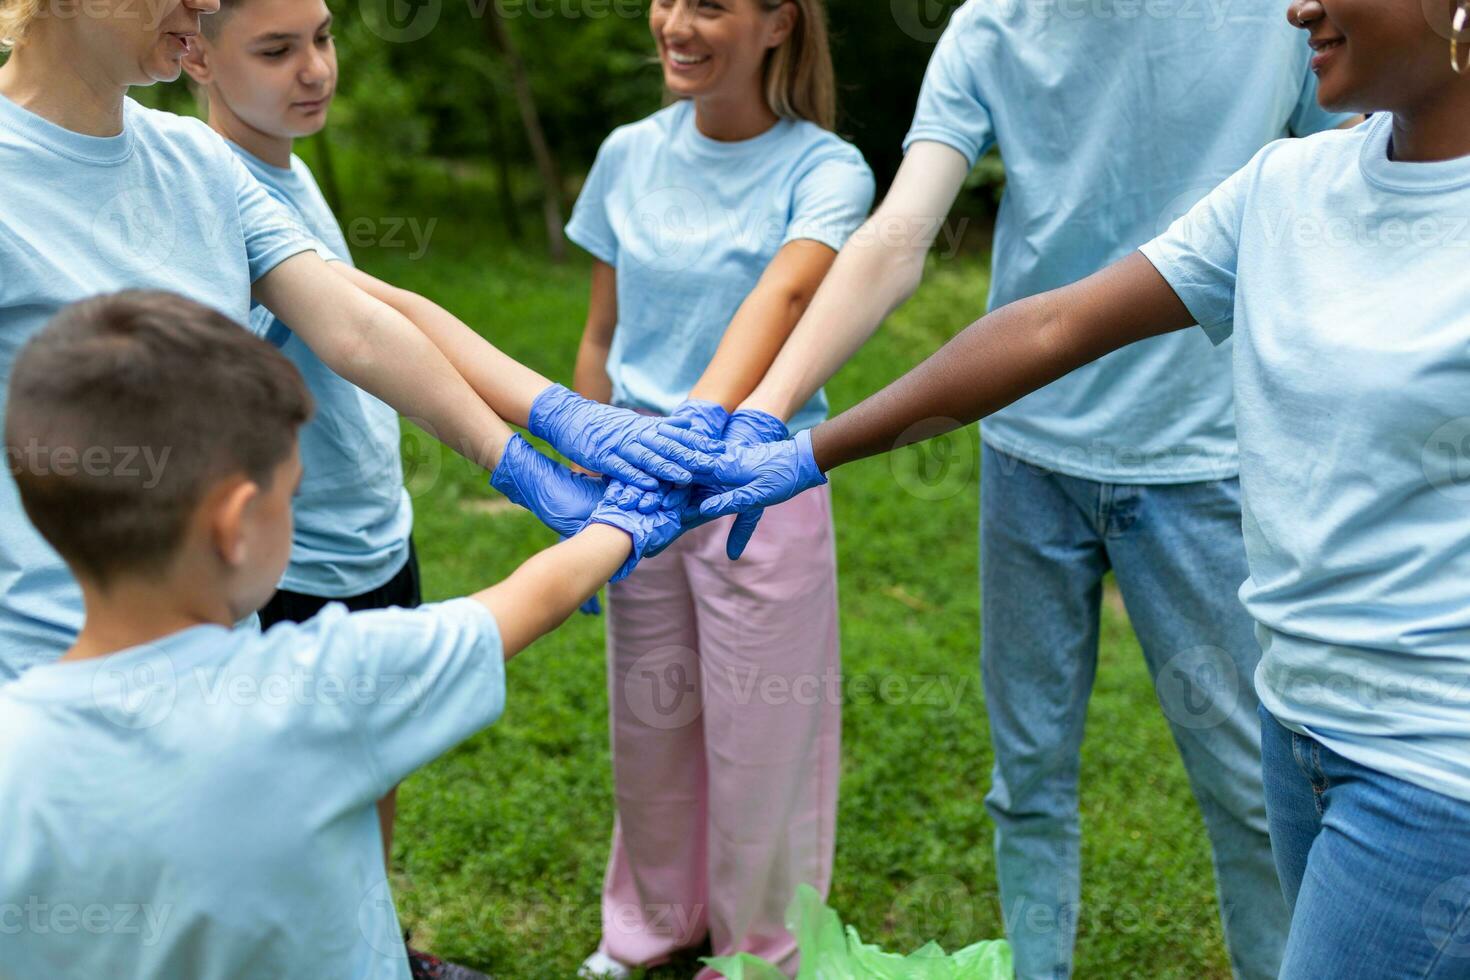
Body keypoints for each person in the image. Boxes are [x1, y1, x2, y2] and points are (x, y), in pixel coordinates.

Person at [693, 0, 1470, 974]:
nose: (1303, 5)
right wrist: (780, 427)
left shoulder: (1286, 45)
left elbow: (1408, 141)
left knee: (1238, 796)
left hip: (1218, 495)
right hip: (1051, 471)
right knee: (1030, 777)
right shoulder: (1016, 38)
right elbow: (983, 287)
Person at [0, 0, 719, 687]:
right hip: (50, 677)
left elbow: (357, 322)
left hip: (225, 666)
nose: (207, 1)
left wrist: (537, 447)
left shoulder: (195, 159)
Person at [0, 290, 687, 980]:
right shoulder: (324, 685)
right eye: (291, 494)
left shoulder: (14, 748)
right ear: (236, 525)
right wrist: (625, 518)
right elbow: (528, 600)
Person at [564, 1, 873, 976]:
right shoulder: (627, 153)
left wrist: (700, 425)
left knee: (762, 737)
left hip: (755, 481)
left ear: (778, 20)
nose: (674, 24)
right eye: (666, 0)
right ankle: (650, 925)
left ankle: (761, 951)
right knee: (649, 721)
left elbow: (785, 293)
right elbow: (601, 336)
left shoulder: (826, 167)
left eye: (708, 3)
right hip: (635, 481)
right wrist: (591, 470)